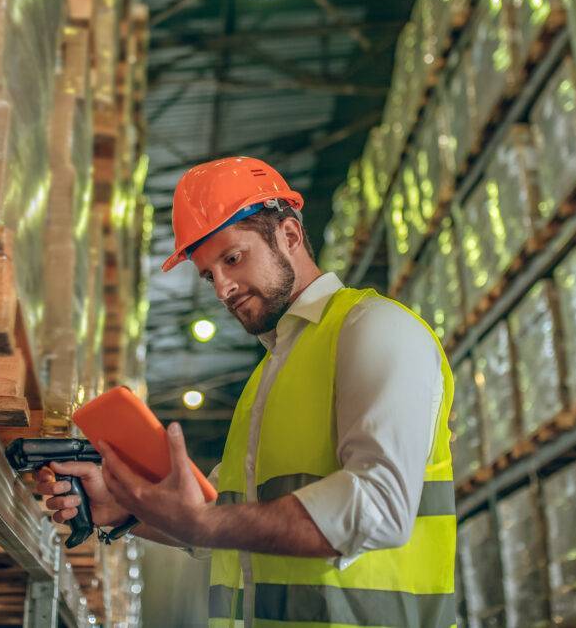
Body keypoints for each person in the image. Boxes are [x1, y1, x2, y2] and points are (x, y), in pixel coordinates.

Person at [37, 157, 456, 627]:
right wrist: (127, 510)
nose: (222, 290)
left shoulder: (374, 328)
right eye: (208, 275)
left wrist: (207, 523)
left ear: (290, 236)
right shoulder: (268, 379)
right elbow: (226, 521)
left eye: (232, 258)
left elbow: (380, 508)